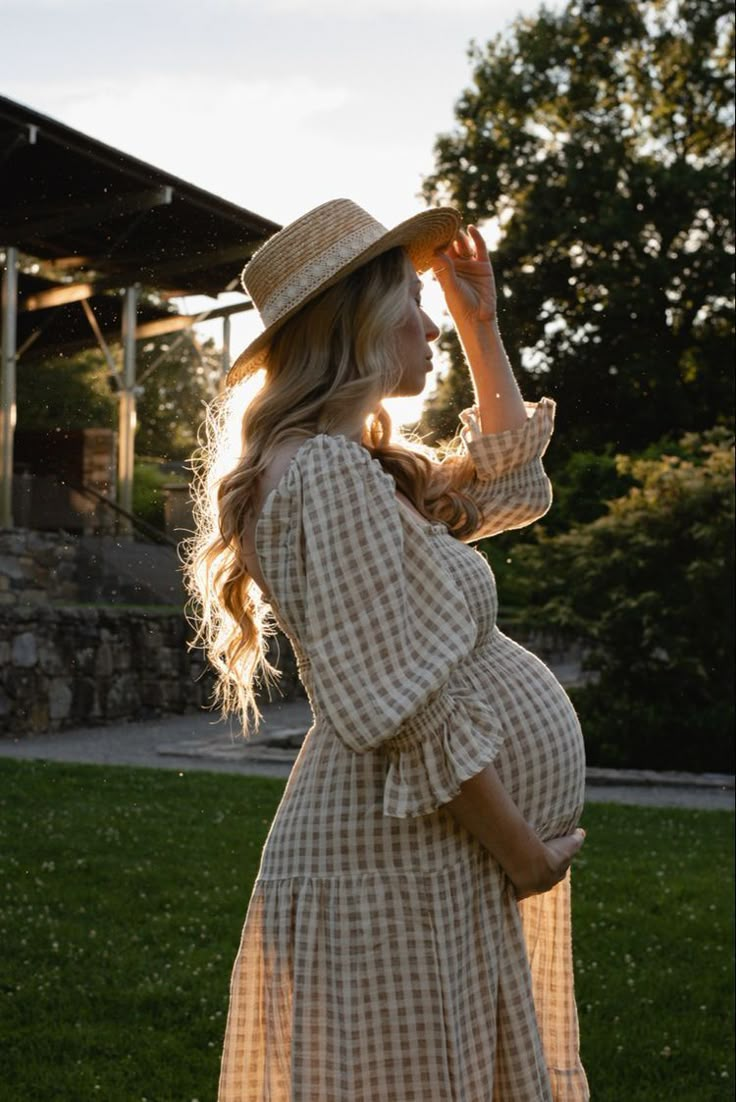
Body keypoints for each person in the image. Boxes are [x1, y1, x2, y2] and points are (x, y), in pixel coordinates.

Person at [186, 198, 589, 1101]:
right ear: (360, 319)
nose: (431, 320)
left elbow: (516, 487)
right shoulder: (323, 473)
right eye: (416, 298)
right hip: (393, 867)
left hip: (422, 860)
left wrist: (484, 325)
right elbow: (405, 705)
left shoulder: (360, 469)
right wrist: (522, 853)